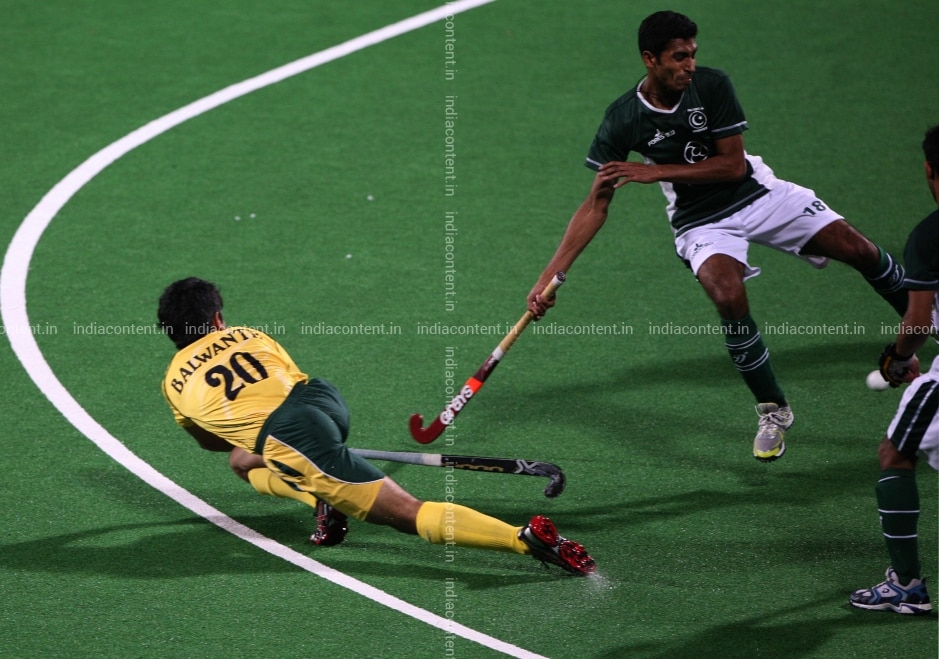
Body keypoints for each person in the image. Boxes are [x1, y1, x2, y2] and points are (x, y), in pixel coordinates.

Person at [527, 10, 907, 462]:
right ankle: (773, 410)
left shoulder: (712, 85)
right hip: (701, 221)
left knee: (858, 249)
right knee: (726, 295)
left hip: (759, 193)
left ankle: (928, 323)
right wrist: (550, 277)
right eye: (679, 57)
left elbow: (733, 165)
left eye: (693, 54)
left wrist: (654, 171)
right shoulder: (623, 118)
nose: (689, 64)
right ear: (651, 60)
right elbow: (595, 206)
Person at [157, 277, 596, 575]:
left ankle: (524, 539)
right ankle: (323, 496)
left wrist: (298, 444)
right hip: (324, 402)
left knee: (407, 512)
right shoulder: (250, 334)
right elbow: (282, 390)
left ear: (172, 333)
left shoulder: (174, 384)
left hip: (291, 437)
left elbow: (212, 442)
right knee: (244, 460)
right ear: (217, 319)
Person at [849, 125, 939, 615]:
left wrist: (898, 358)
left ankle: (907, 586)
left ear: (929, 170)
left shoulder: (930, 236)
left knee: (895, 453)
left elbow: (918, 319)